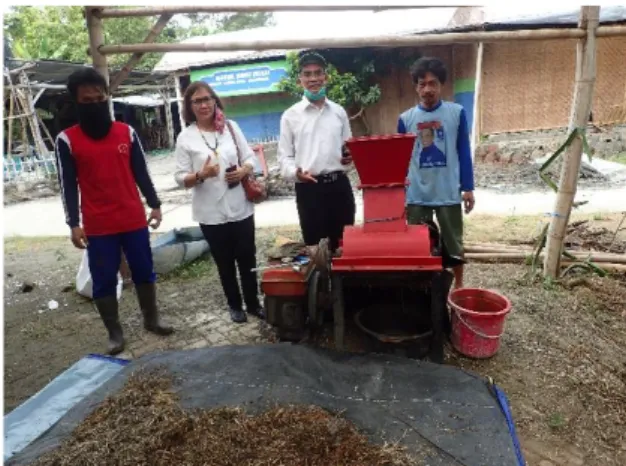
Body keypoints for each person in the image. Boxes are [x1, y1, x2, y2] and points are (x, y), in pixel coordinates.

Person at [55, 68, 173, 356]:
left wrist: (155, 204)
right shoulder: (67, 140)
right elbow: (67, 186)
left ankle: (151, 319)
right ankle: (114, 333)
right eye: (87, 100)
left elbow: (141, 173)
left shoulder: (126, 132)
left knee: (145, 270)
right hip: (98, 225)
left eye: (100, 98)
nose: (95, 103)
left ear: (107, 97)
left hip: (133, 218)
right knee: (104, 278)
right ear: (76, 103)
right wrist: (73, 223)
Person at [174, 81, 264, 324]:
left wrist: (244, 170)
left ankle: (254, 303)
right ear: (190, 106)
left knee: (247, 258)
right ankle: (234, 305)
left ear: (215, 101)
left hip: (240, 207)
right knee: (224, 262)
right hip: (210, 212)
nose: (203, 104)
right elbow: (180, 178)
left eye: (207, 99)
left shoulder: (231, 128)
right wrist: (201, 175)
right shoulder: (186, 138)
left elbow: (250, 157)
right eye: (197, 101)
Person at [397, 57, 475, 289]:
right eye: (422, 84)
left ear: (441, 85)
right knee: (417, 245)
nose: (428, 89)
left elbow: (463, 151)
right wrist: (399, 194)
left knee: (454, 245)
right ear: (416, 87)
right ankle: (422, 289)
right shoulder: (405, 119)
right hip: (416, 194)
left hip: (448, 191)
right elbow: (400, 160)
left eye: (433, 83)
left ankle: (458, 287)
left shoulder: (456, 113)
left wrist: (468, 187)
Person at [277, 51, 355, 254]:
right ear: (300, 80)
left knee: (344, 247)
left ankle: (343, 286)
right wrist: (296, 173)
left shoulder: (338, 112)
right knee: (316, 252)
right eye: (307, 74)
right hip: (309, 189)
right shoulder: (290, 116)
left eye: (318, 73)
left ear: (326, 77)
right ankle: (322, 286)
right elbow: (284, 158)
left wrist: (350, 157)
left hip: (340, 187)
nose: (313, 79)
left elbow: (349, 149)